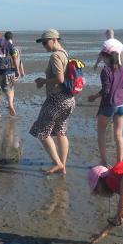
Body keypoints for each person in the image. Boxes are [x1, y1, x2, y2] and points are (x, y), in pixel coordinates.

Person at [29, 29, 75, 175]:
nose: (44, 45)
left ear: (55, 40)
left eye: (45, 42)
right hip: (69, 99)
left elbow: (60, 79)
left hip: (57, 99)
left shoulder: (56, 56)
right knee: (61, 132)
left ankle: (58, 163)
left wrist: (43, 81)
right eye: (42, 43)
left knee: (41, 131)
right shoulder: (65, 53)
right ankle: (63, 165)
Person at [88, 44, 123, 165]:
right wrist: (121, 99)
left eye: (103, 58)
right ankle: (119, 162)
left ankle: (104, 162)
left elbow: (106, 90)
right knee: (118, 134)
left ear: (106, 58)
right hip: (122, 105)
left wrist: (94, 97)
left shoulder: (106, 70)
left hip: (109, 105)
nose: (102, 60)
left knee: (101, 132)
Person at [3, 31, 25, 98]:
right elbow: (19, 60)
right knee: (11, 87)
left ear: (5, 38)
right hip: (15, 69)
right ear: (12, 37)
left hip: (9, 69)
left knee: (8, 87)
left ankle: (10, 103)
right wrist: (21, 71)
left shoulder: (5, 48)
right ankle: (11, 102)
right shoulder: (17, 48)